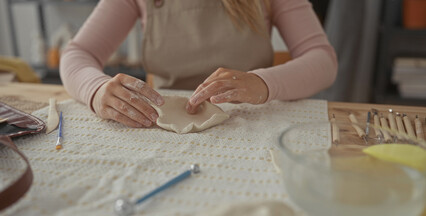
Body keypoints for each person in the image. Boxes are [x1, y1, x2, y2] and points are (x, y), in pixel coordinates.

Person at [60, 0, 337, 128]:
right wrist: (95, 90)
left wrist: (264, 83)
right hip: (161, 133)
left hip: (251, 126)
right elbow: (77, 54)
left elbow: (323, 60)